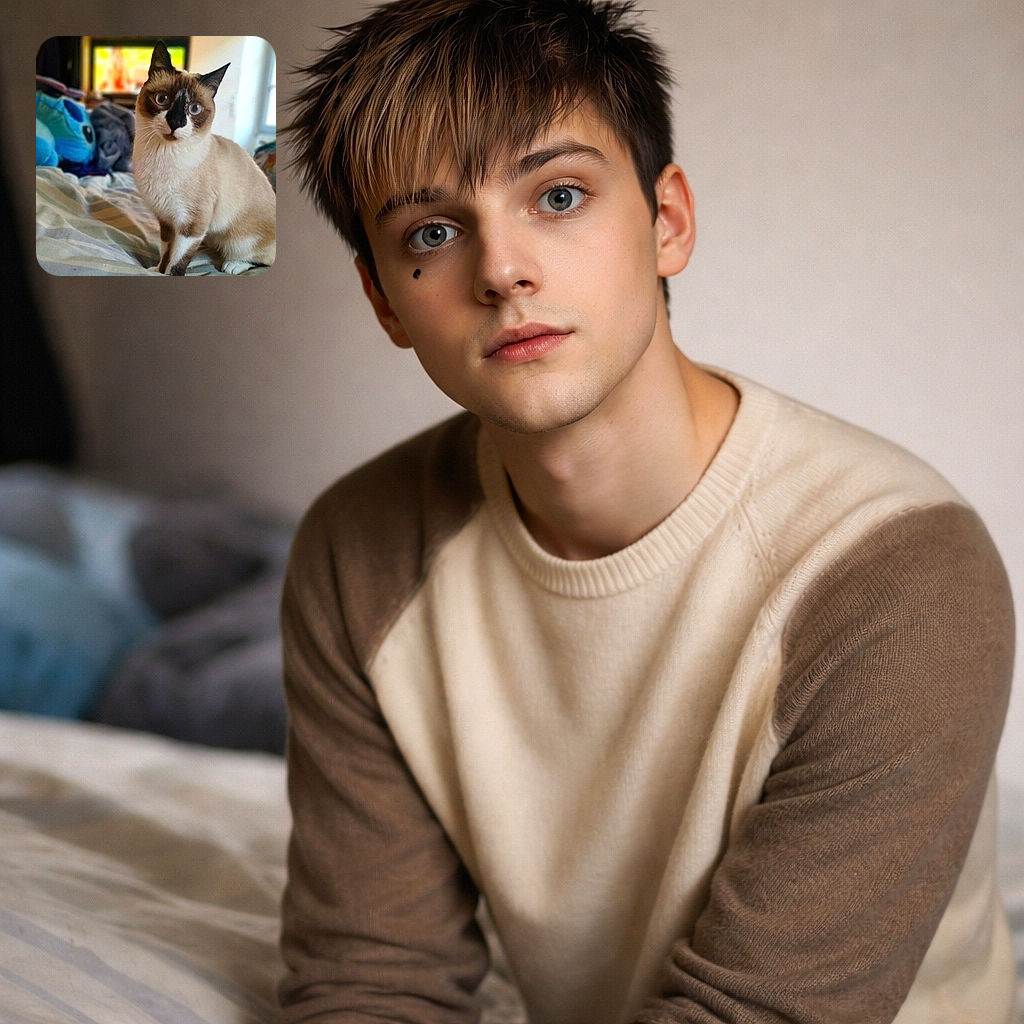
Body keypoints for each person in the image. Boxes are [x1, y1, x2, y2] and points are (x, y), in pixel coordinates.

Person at [278, 1, 1016, 1021]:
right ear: (385, 302)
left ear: (666, 222)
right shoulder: (356, 552)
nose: (501, 272)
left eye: (559, 194)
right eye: (433, 232)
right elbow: (371, 978)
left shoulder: (899, 571)